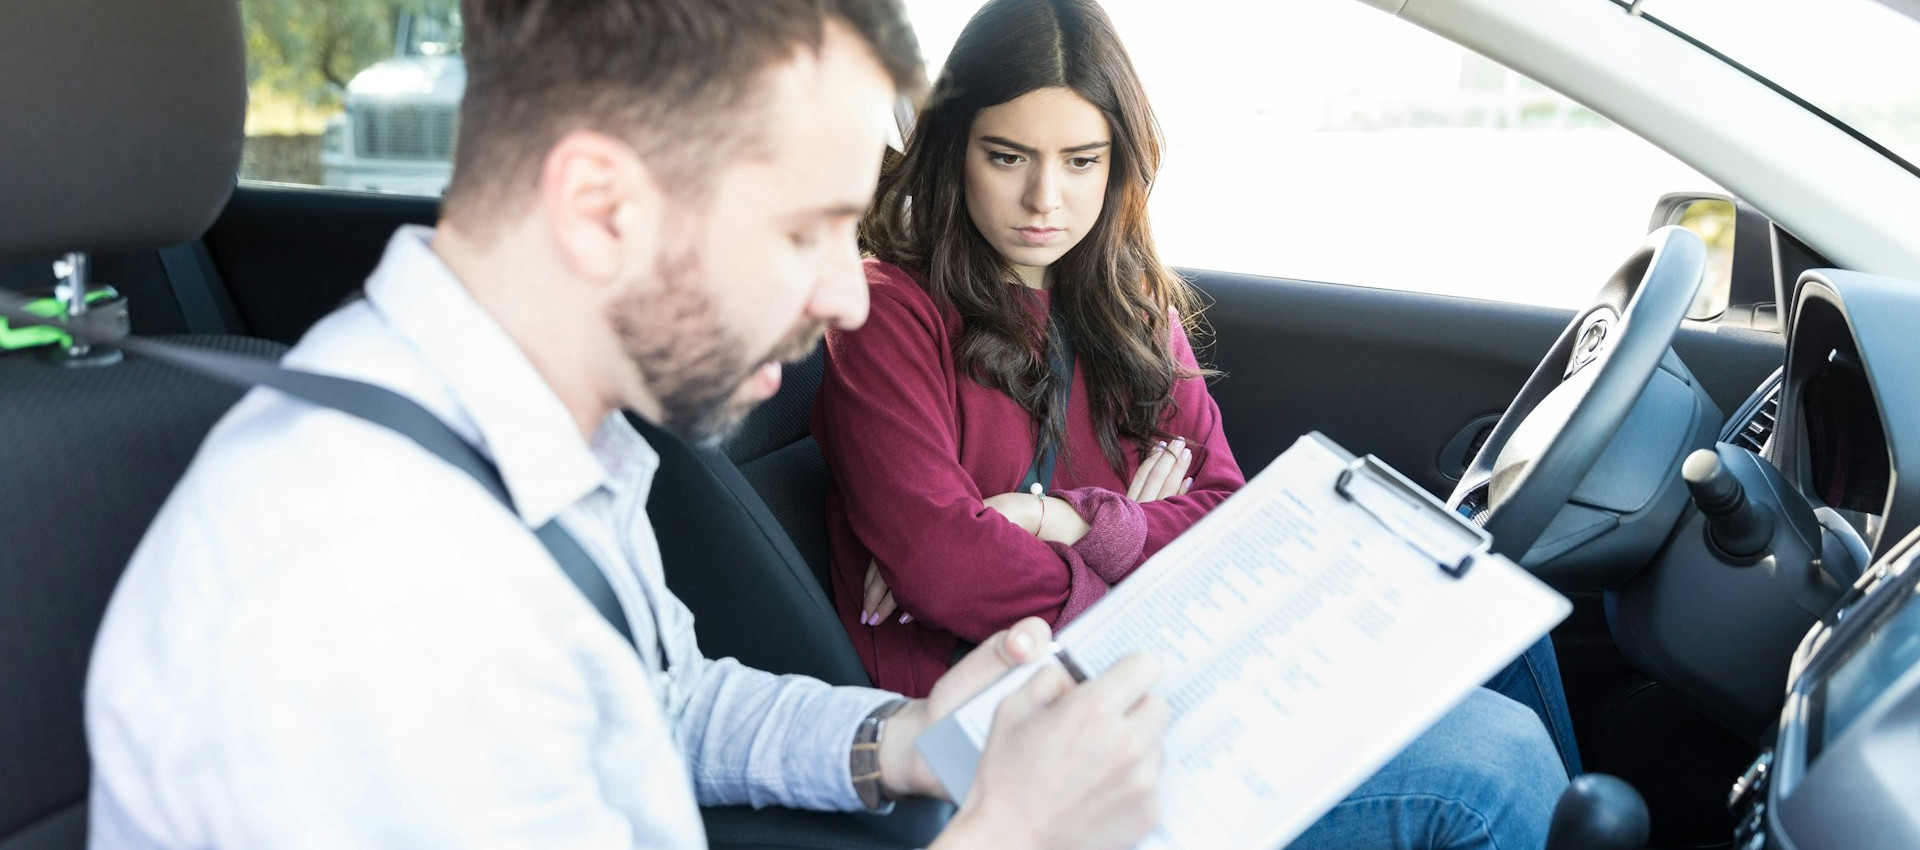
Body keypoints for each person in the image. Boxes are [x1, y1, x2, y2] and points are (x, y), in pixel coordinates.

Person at [83, 2, 1170, 849]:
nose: (848, 298)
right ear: (601, 209)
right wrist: (1012, 832)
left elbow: (659, 707)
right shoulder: (371, 579)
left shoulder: (534, 436)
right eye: (807, 231)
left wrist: (905, 737)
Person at [813, 0, 1572, 846]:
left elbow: (1225, 514)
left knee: (1495, 619)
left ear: (1117, 161)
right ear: (955, 148)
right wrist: (1137, 578)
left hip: (1171, 659)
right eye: (1007, 157)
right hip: (1022, 714)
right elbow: (945, 564)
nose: (1044, 198)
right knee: (1494, 768)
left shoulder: (1129, 301)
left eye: (1081, 161)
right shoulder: (889, 312)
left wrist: (1068, 521)